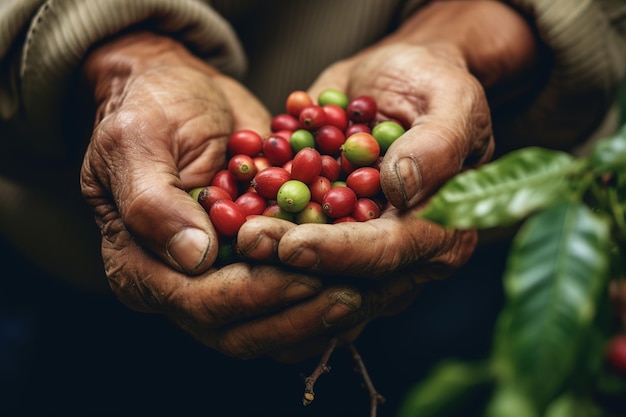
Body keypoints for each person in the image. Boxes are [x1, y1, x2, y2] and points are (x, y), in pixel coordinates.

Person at [1, 1, 624, 416]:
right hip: (73, 264)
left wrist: (466, 33)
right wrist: (112, 57)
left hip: (455, 267)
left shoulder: (302, 165)